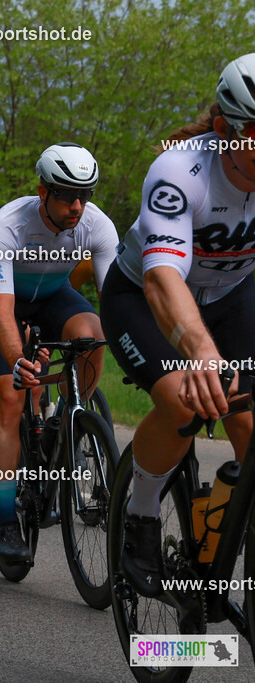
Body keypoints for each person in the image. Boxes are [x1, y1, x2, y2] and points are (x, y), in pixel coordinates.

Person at [101, 54, 255, 597]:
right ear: (226, 130)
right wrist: (200, 351)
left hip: (232, 295)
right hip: (144, 297)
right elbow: (162, 277)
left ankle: (221, 534)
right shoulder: (179, 171)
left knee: (248, 423)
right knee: (185, 403)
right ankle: (141, 514)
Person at [0, 143, 117, 564]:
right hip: (5, 300)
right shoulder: (6, 226)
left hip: (54, 295)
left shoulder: (97, 226)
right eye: (68, 196)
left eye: (85, 195)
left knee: (93, 333)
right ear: (43, 191)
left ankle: (67, 418)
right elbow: (3, 311)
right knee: (9, 398)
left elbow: (114, 302)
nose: (77, 206)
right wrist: (17, 360)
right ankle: (5, 518)